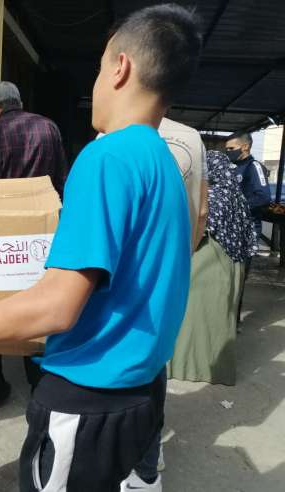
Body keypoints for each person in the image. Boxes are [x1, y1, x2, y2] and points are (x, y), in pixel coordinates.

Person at [0, 4, 202, 491]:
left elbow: (59, 306)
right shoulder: (163, 161)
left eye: (102, 65)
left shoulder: (107, 157)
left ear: (120, 67)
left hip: (89, 397)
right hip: (142, 391)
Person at [121, 117, 209, 491]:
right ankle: (148, 460)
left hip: (125, 277)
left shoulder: (112, 135)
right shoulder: (191, 139)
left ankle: (134, 464)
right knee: (155, 365)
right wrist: (180, 261)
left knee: (127, 373)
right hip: (169, 271)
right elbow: (201, 210)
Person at [0, 81, 66, 410]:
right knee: (37, 306)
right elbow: (59, 181)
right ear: (20, 101)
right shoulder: (49, 127)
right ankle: (38, 383)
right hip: (41, 233)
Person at [167, 150, 256, 381]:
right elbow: (249, 237)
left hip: (206, 261)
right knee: (216, 319)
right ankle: (215, 369)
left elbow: (198, 226)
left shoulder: (213, 195)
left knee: (194, 317)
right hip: (230, 263)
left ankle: (188, 369)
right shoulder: (237, 195)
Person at [225, 132, 270, 323]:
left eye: (231, 149)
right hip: (230, 229)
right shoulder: (230, 167)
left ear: (245, 147)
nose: (228, 152)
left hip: (247, 229)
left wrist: (237, 205)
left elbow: (263, 197)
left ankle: (234, 320)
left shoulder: (254, 167)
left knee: (239, 277)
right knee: (226, 276)